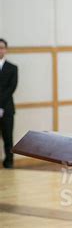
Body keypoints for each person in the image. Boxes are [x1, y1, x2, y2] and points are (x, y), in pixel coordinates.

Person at [0, 38, 18, 169]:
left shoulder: (12, 68)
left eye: (2, 47)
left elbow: (11, 88)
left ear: (5, 50)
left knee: (8, 137)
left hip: (7, 108)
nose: (0, 50)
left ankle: (9, 162)